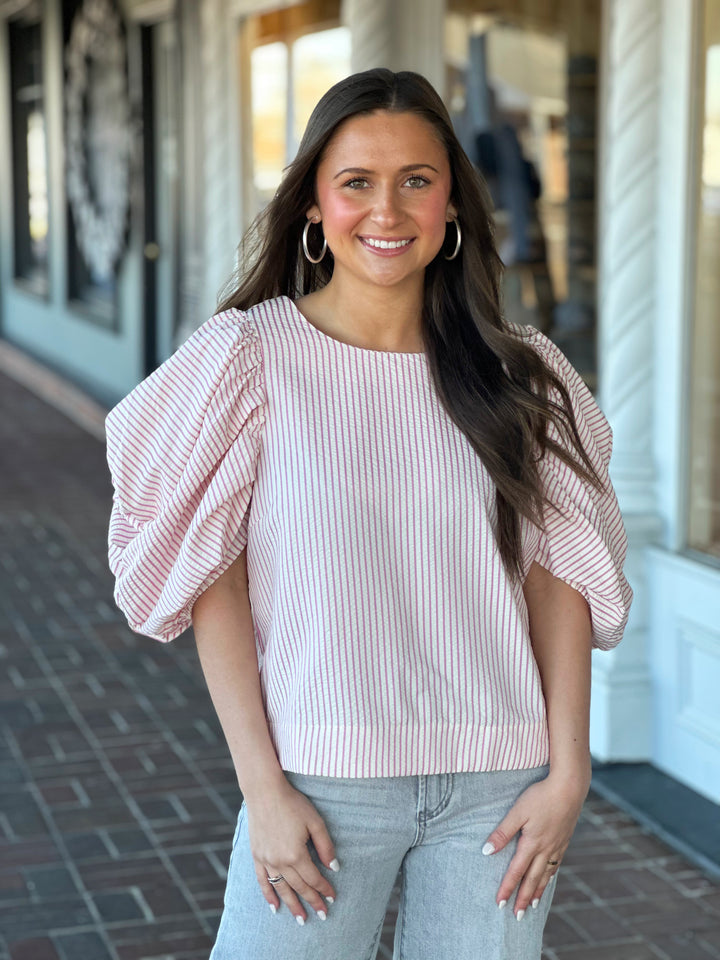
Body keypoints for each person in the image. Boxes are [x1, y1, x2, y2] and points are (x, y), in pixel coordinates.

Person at [105, 69, 632, 960]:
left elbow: (561, 573)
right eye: (356, 183)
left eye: (416, 181)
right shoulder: (247, 359)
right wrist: (262, 788)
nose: (386, 211)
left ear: (452, 205)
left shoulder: (521, 375)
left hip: (499, 788)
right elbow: (211, 580)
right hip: (321, 782)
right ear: (314, 206)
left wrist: (569, 770)